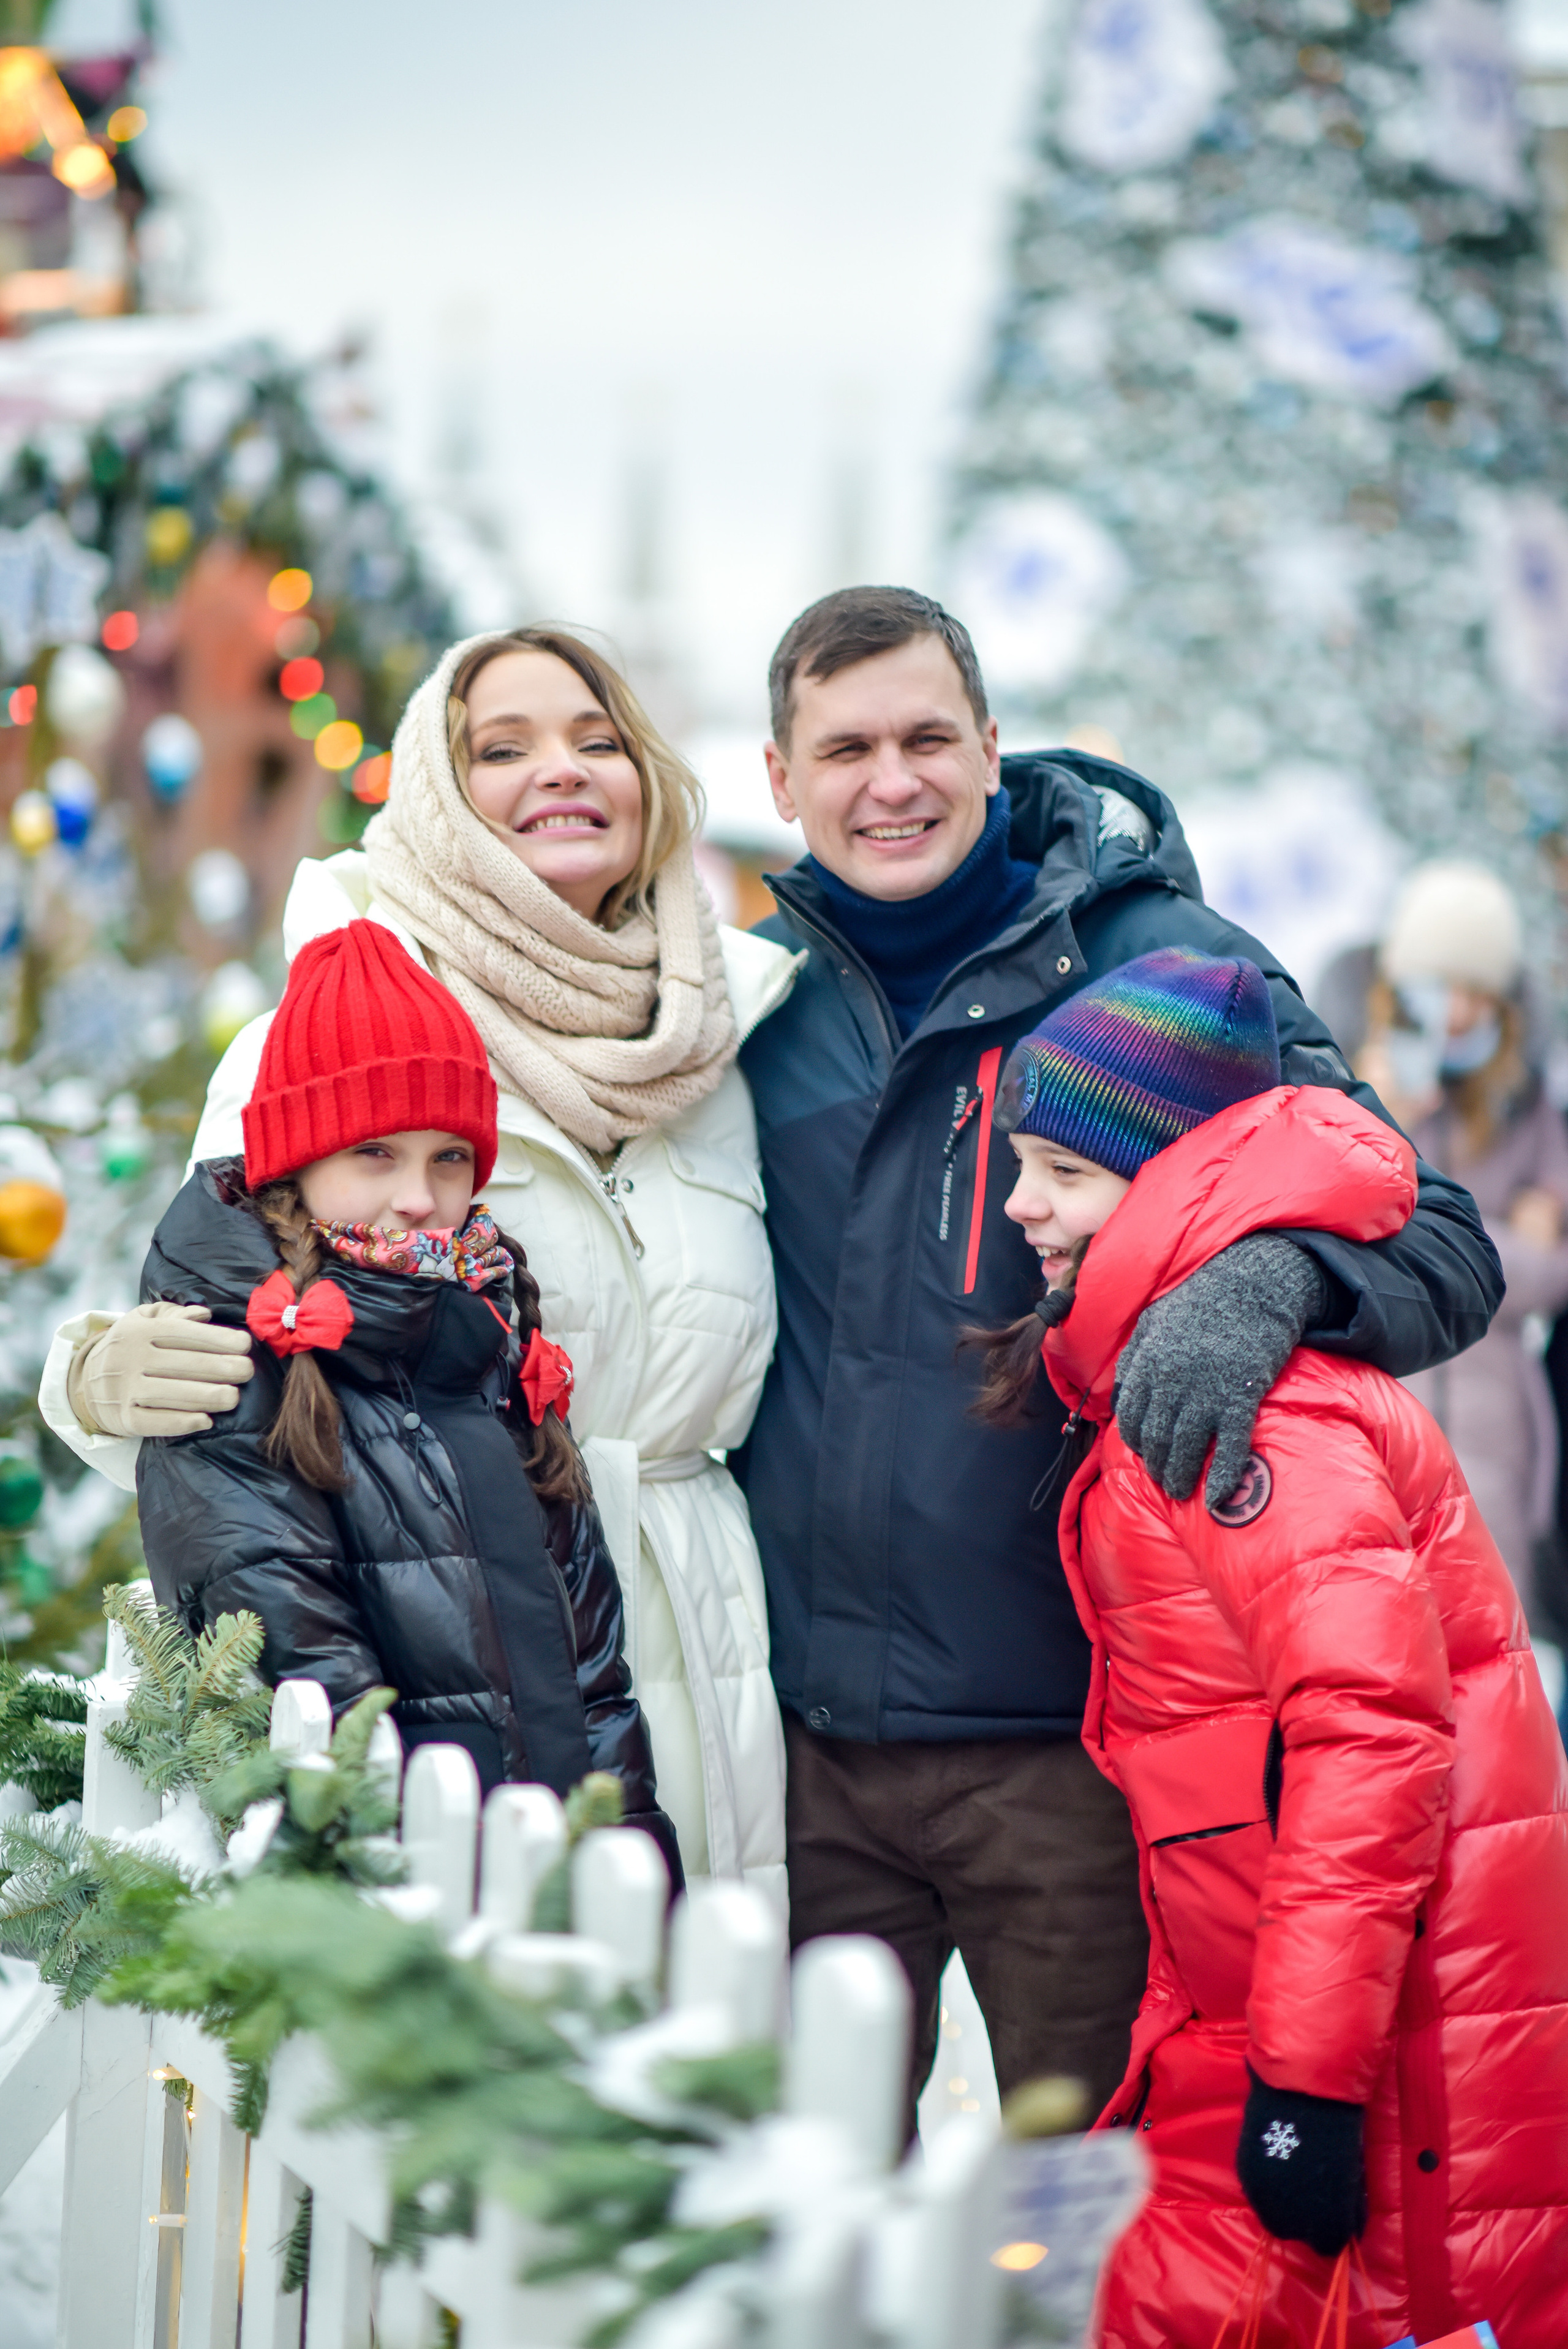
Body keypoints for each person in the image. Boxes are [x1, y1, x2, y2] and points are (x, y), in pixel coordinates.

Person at [737, 586, 1502, 2125]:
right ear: (780, 779)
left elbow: (1432, 1231)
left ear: (991, 744)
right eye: (846, 747)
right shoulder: (756, 1000)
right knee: (805, 2230)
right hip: (803, 1759)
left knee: (1089, 2220)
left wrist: (1269, 1278)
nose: (890, 779)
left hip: (1071, 1761)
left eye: (925, 736)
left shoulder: (1160, 969)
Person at [38, 629, 801, 1909]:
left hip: (703, 1661)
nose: (558, 770)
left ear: (653, 777)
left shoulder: (733, 1033)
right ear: (441, 797)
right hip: (442, 1669)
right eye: (500, 747)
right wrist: (93, 1378)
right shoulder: (342, 1022)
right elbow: (227, 1304)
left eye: (596, 739)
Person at [972, 946, 1568, 2349]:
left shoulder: (1254, 1408)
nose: (1020, 1204)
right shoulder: (1166, 1367)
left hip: (1351, 2047)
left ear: (1173, 1174)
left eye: (1060, 1167)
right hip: (1255, 2009)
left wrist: (1300, 2083)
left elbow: (1371, 1735)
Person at [137, 918, 679, 1879]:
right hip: (414, 1902)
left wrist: (632, 1861)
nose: (422, 1198)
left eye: (450, 1158)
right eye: (376, 1154)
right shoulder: (240, 1359)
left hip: (560, 1884)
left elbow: (594, 1669)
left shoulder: (485, 1331)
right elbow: (300, 1666)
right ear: (295, 1165)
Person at [1361, 861, 1568, 1624]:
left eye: (1478, 992)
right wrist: (1386, 1115)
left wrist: (1421, 1235)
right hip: (1385, 1408)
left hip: (1498, 1425)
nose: (1458, 1012)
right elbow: (1348, 1233)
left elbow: (1550, 1270)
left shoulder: (1526, 1105)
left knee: (1490, 1637)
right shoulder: (1352, 1085)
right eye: (1439, 987)